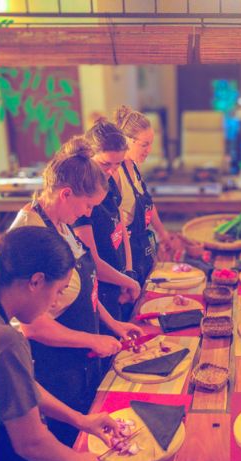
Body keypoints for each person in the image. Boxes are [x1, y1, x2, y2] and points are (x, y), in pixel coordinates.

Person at [8, 136, 135, 451]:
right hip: (52, 367)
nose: (87, 213)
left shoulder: (61, 224)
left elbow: (86, 285)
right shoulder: (31, 233)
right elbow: (33, 325)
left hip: (80, 360)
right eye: (88, 205)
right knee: (59, 448)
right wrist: (93, 339)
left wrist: (111, 324)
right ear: (65, 194)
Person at [0, 226, 123, 461]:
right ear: (36, 281)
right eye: (59, 290)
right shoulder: (6, 340)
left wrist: (80, 420)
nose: (54, 303)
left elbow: (22, 387)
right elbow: (30, 442)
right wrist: (75, 460)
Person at [74, 118, 142, 324]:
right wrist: (127, 282)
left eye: (118, 163)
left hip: (120, 279)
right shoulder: (81, 194)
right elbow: (91, 260)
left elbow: (120, 224)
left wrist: (128, 272)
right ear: (88, 155)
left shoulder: (108, 178)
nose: (112, 171)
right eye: (105, 164)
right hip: (101, 290)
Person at [113, 106, 179, 283]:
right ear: (127, 140)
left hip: (143, 247)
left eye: (151, 143)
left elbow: (147, 204)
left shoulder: (134, 166)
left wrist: (162, 232)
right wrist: (127, 273)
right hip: (127, 256)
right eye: (145, 144)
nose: (149, 150)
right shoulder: (115, 173)